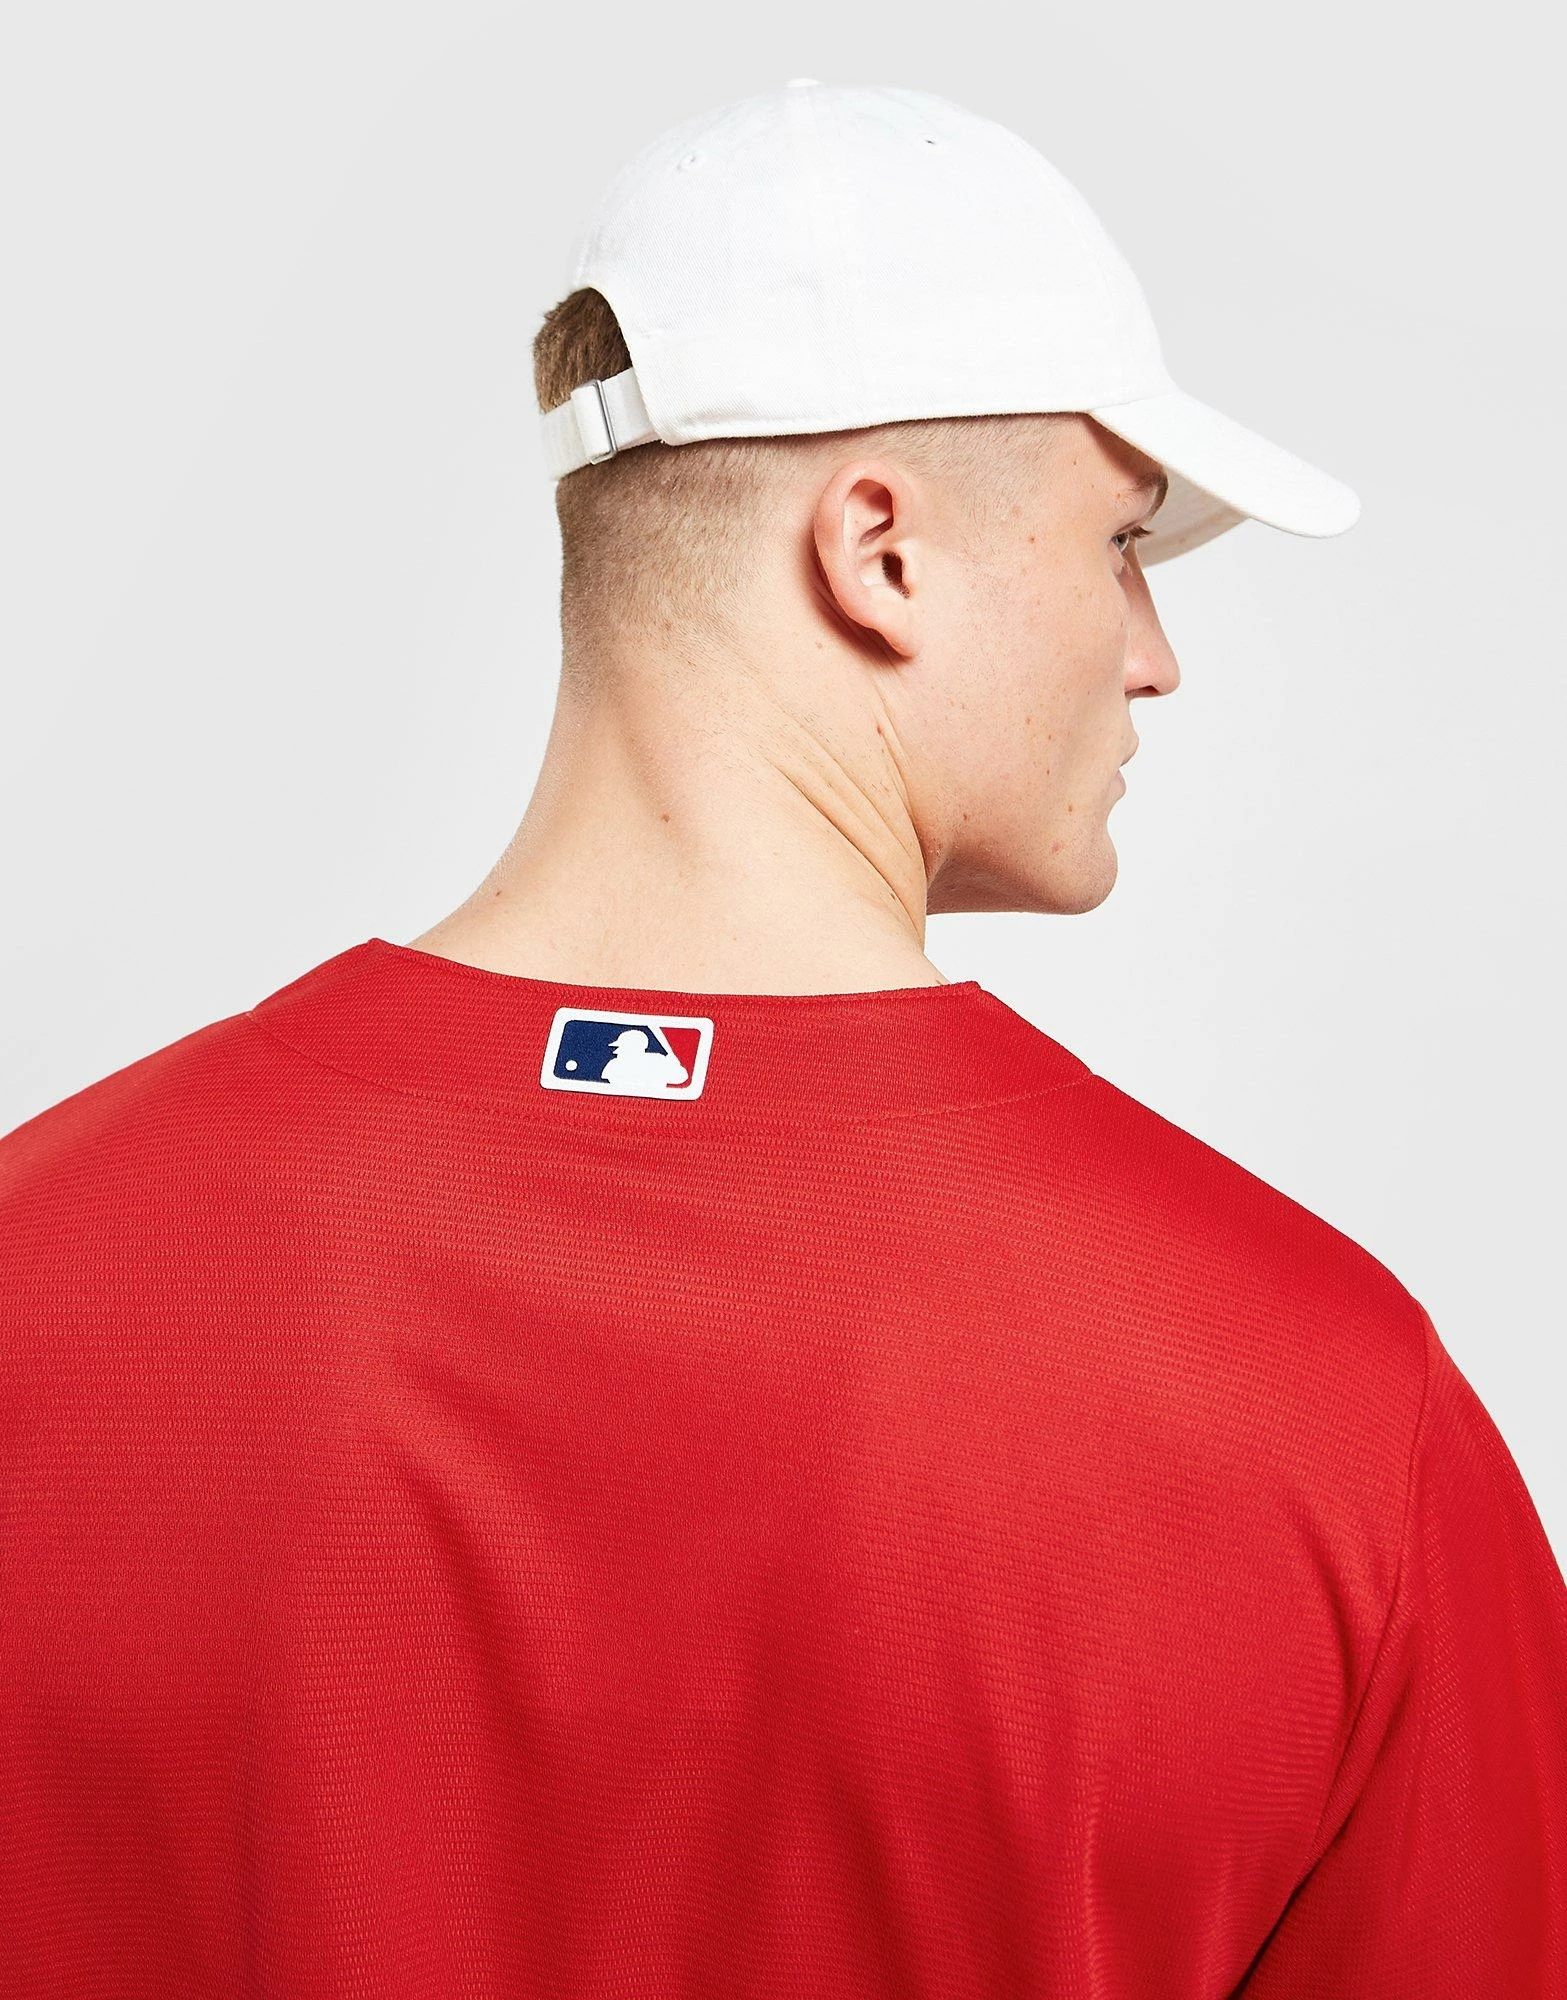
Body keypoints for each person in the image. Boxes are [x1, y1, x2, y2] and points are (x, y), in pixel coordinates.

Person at [2, 78, 1563, 2000]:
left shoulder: (37, 1261)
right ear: (877, 548)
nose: (1153, 653)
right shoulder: (1317, 1410)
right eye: (1118, 542)